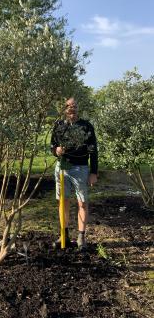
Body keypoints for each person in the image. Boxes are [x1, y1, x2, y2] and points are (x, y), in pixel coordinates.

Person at [51, 97, 98, 251]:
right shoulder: (58, 125)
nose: (72, 108)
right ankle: (63, 235)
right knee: (63, 202)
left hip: (81, 168)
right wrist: (56, 150)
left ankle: (81, 236)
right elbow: (52, 146)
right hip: (62, 167)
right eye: (68, 106)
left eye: (74, 106)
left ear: (78, 108)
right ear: (64, 109)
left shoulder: (86, 126)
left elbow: (93, 151)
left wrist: (93, 172)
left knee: (82, 202)